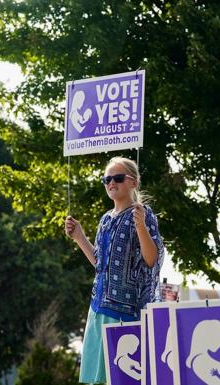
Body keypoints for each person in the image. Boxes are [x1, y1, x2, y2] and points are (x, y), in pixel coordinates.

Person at [64, 156, 164, 384]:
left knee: (118, 377)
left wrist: (140, 227)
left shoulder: (143, 214)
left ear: (133, 182)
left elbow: (151, 260)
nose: (111, 183)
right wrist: (79, 236)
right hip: (97, 307)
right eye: (106, 179)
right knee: (94, 377)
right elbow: (100, 264)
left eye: (117, 178)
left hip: (124, 310)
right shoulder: (105, 219)